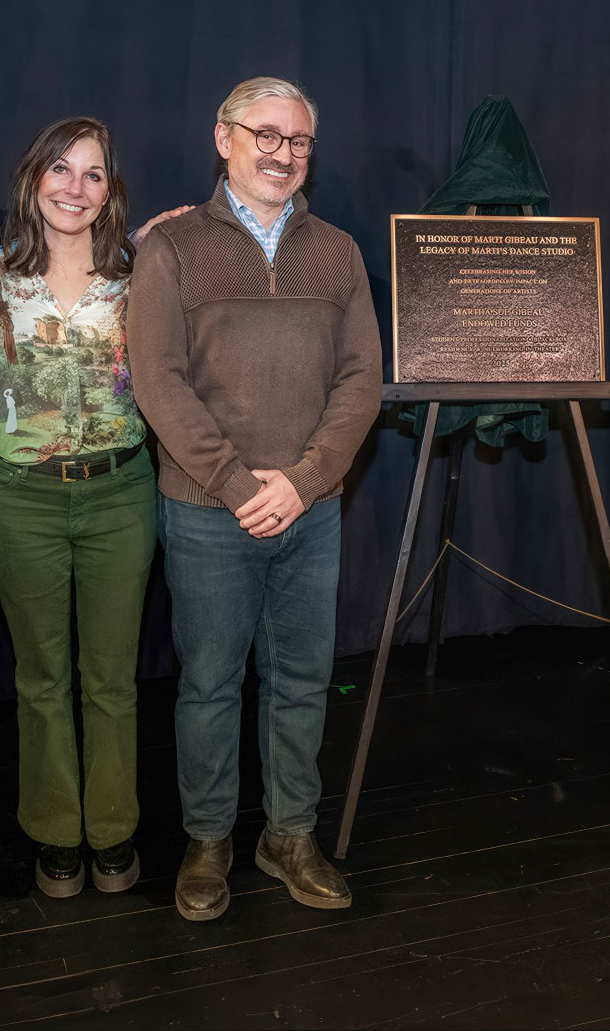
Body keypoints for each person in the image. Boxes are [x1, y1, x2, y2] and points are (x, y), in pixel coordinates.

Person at [127, 76, 381, 921]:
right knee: (207, 685)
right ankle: (207, 842)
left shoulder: (339, 252)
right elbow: (158, 385)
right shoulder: (170, 251)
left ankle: (290, 835)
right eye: (265, 135)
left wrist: (304, 482)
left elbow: (361, 381)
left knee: (304, 680)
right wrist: (239, 487)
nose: (283, 153)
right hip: (207, 510)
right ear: (223, 138)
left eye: (299, 140)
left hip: (311, 511)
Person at [0, 117, 156, 899]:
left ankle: (113, 832)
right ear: (32, 179)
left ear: (109, 190)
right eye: (60, 169)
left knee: (112, 678)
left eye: (92, 174)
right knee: (42, 677)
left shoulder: (142, 274)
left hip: (120, 492)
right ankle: (56, 834)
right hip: (20, 500)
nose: (73, 188)